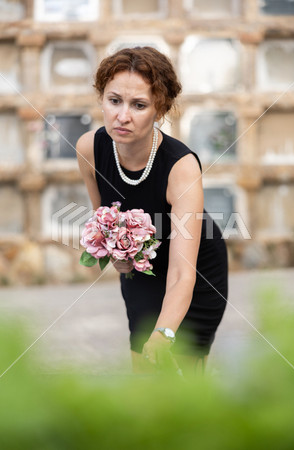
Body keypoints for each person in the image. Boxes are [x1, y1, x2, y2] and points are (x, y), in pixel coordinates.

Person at [76, 46, 228, 376]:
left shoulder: (181, 167)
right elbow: (104, 222)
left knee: (182, 373)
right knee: (143, 368)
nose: (123, 115)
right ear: (101, 98)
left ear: (160, 110)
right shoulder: (89, 148)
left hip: (195, 270)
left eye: (139, 105)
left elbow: (181, 274)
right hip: (142, 269)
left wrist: (165, 333)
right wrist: (116, 254)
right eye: (114, 100)